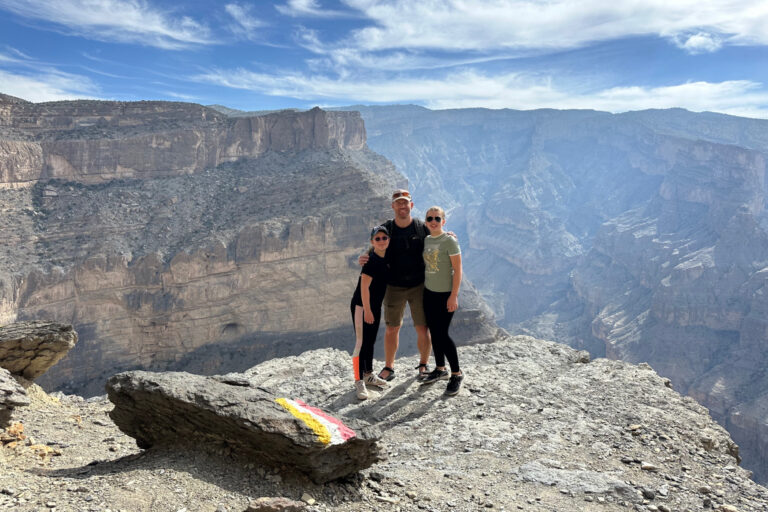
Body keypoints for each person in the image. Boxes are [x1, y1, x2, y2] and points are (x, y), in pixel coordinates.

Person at [359, 189, 432, 382]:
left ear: (411, 205)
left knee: (423, 327)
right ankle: (389, 367)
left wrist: (449, 236)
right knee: (392, 328)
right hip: (393, 287)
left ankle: (424, 365)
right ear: (392, 206)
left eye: (405, 202)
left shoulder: (420, 228)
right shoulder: (386, 229)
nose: (402, 206)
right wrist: (364, 256)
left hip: (419, 285)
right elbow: (374, 248)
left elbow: (437, 242)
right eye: (398, 202)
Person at [420, 206, 464, 396]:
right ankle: (440, 369)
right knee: (434, 332)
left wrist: (453, 295)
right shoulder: (427, 240)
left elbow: (458, 269)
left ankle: (457, 373)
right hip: (429, 292)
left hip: (445, 294)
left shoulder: (450, 241)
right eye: (430, 218)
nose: (433, 221)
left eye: (437, 218)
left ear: (443, 222)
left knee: (442, 334)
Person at [350, 225, 391, 400]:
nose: (381, 241)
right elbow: (364, 288)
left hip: (374, 306)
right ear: (372, 242)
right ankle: (359, 381)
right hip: (361, 306)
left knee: (371, 341)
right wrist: (367, 310)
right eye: (377, 239)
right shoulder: (371, 261)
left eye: (384, 238)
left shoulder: (387, 257)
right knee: (361, 343)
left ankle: (368, 374)